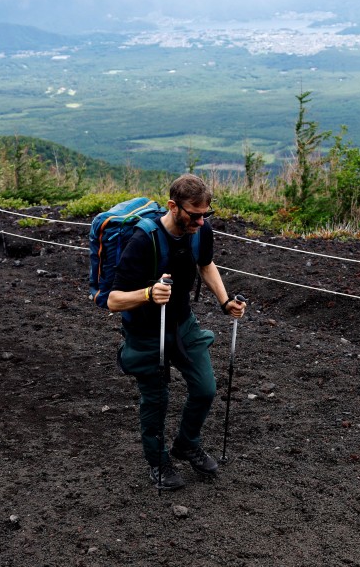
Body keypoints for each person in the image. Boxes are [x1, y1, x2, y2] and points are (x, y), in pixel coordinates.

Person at [108, 174, 247, 491]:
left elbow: (206, 264)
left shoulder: (200, 231)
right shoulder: (144, 241)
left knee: (205, 388)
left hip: (183, 323)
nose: (200, 221)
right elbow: (114, 301)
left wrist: (225, 302)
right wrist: (147, 294)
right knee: (156, 400)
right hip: (145, 332)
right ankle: (158, 463)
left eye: (205, 214)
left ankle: (186, 443)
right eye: (194, 214)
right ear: (173, 206)